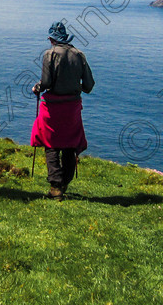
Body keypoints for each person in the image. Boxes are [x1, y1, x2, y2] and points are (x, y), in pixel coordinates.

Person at [31, 21, 95, 201]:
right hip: (72, 107)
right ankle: (65, 181)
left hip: (52, 107)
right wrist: (75, 86)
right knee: (70, 143)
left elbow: (46, 83)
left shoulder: (49, 54)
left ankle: (55, 186)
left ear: (51, 39)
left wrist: (37, 87)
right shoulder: (79, 55)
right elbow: (89, 86)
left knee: (51, 143)